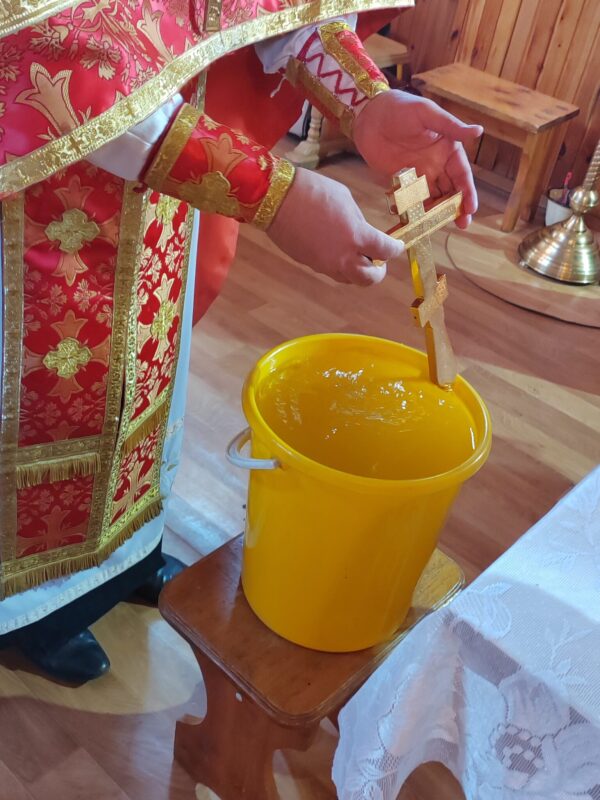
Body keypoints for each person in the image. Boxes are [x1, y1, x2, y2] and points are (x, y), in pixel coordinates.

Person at [0, 0, 482, 683]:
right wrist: (272, 194)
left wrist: (365, 101)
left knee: (149, 379)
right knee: (45, 401)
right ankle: (34, 606)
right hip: (41, 200)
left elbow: (259, 13)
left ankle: (124, 559)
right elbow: (63, 73)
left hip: (168, 179)